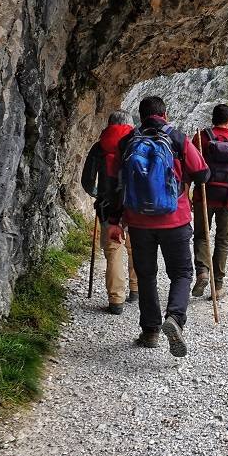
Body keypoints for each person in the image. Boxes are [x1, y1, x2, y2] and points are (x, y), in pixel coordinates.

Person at [104, 96, 210, 357]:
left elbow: (115, 185)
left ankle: (150, 331)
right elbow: (202, 173)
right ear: (166, 113)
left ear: (140, 116)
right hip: (175, 219)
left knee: (147, 274)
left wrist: (115, 221)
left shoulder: (127, 142)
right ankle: (174, 318)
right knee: (182, 272)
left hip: (138, 221)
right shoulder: (177, 138)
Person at [80, 110, 138, 315]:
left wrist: (98, 194)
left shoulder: (99, 147)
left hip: (108, 206)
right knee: (134, 247)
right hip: (134, 205)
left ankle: (116, 300)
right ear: (130, 126)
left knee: (113, 251)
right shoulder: (137, 144)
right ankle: (135, 289)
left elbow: (87, 181)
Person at [191, 104, 228, 300]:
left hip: (204, 196)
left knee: (200, 235)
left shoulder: (201, 138)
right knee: (222, 241)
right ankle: (218, 286)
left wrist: (187, 192)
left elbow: (191, 167)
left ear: (212, 119)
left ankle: (202, 272)